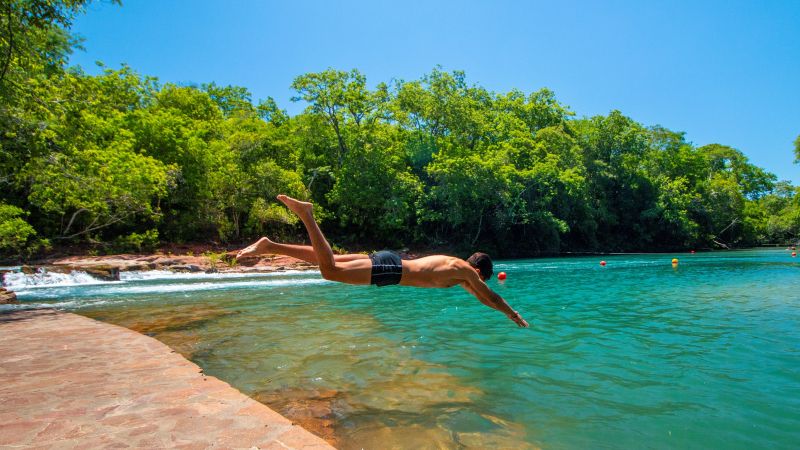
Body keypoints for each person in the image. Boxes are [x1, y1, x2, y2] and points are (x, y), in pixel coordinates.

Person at [237, 195, 529, 327]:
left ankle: (271, 245)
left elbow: (481, 297)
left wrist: (493, 303)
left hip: (392, 262)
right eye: (481, 278)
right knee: (330, 271)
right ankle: (306, 214)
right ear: (478, 270)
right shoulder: (464, 271)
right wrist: (512, 315)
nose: (477, 284)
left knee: (331, 259)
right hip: (392, 271)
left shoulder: (457, 269)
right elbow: (489, 297)